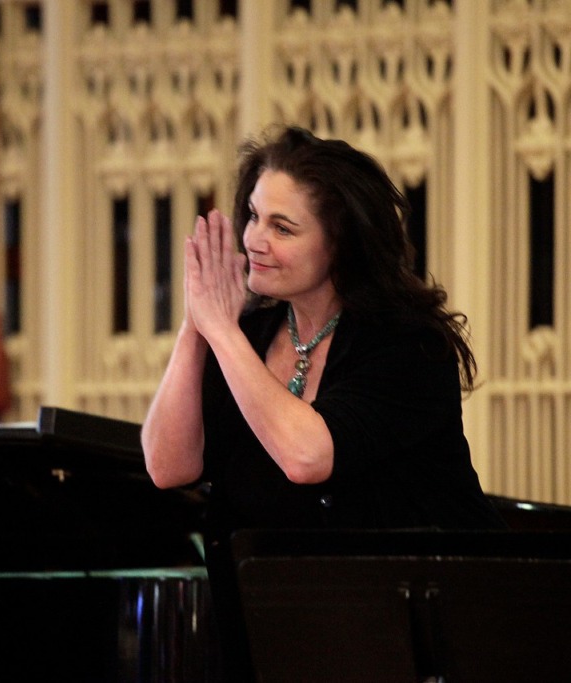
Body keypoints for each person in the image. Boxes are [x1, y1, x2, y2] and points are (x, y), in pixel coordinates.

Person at [140, 125, 505, 678]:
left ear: (342, 245)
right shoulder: (249, 334)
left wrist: (223, 330)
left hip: (422, 637)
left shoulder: (406, 343)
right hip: (280, 630)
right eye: (254, 217)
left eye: (282, 227)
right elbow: (169, 466)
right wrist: (197, 326)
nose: (254, 240)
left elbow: (307, 456)